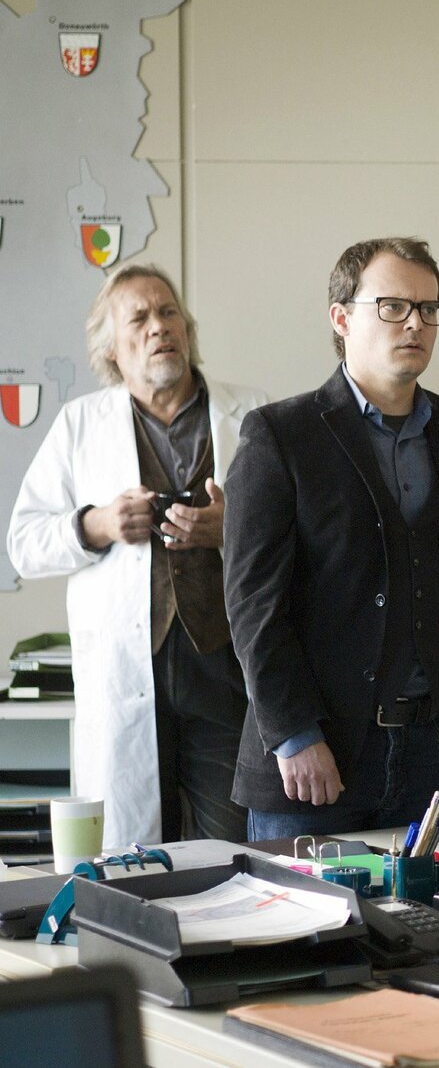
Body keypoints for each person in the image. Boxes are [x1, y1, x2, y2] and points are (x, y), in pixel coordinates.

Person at [224, 237, 439, 839]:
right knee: (308, 906)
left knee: (435, 903)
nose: (415, 323)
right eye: (393, 306)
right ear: (341, 319)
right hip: (314, 757)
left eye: (429, 308)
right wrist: (293, 734)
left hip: (431, 752)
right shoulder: (279, 435)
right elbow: (252, 604)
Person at [7, 264, 268, 848]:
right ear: (112, 349)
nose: (159, 327)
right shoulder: (79, 424)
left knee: (232, 852)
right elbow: (22, 544)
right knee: (134, 859)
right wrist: (95, 524)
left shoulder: (253, 415)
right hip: (126, 673)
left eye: (169, 312)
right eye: (140, 318)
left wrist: (234, 528)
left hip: (224, 671)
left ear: (187, 329)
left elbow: (305, 538)